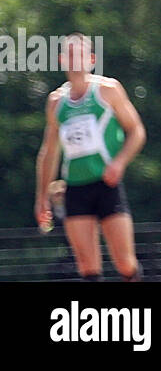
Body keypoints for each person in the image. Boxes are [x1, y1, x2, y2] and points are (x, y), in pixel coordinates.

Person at [34, 33, 146, 281]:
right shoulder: (55, 102)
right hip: (75, 189)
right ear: (62, 60)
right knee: (87, 267)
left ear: (91, 59)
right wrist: (42, 197)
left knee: (125, 263)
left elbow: (137, 131)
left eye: (80, 54)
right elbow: (49, 152)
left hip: (106, 185)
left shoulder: (108, 90)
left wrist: (119, 162)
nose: (75, 60)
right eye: (69, 55)